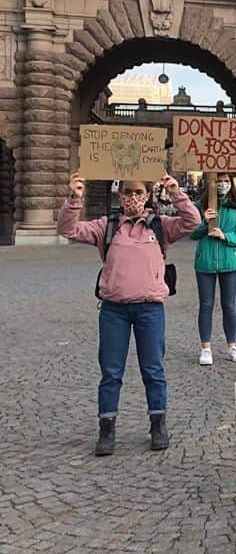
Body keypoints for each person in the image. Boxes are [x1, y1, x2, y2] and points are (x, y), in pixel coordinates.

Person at [58, 172, 201, 456]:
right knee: (111, 372)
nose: (132, 198)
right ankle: (107, 427)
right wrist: (74, 198)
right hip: (114, 310)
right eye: (126, 193)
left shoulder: (161, 225)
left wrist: (175, 192)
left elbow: (193, 222)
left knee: (153, 370)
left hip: (150, 308)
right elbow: (68, 229)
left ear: (147, 196)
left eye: (138, 192)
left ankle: (157, 423)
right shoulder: (107, 226)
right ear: (119, 195)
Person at [189, 173, 236, 365]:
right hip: (206, 261)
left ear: (231, 183)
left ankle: (232, 346)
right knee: (206, 305)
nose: (222, 184)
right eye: (219, 180)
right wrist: (204, 223)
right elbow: (190, 232)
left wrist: (226, 236)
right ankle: (206, 348)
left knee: (229, 305)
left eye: (226, 181)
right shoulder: (200, 206)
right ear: (211, 183)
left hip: (230, 262)